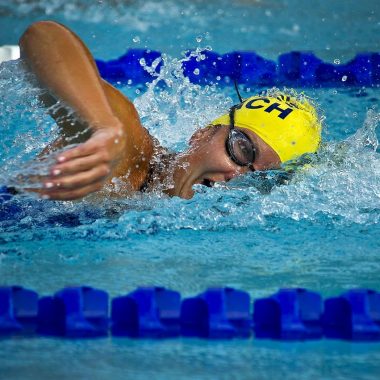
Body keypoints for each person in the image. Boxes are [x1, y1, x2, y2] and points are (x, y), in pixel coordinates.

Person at [18, 21, 321, 201]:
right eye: (242, 150)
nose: (236, 176)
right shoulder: (128, 154)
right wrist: (102, 126)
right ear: (202, 133)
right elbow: (44, 37)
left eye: (260, 179)